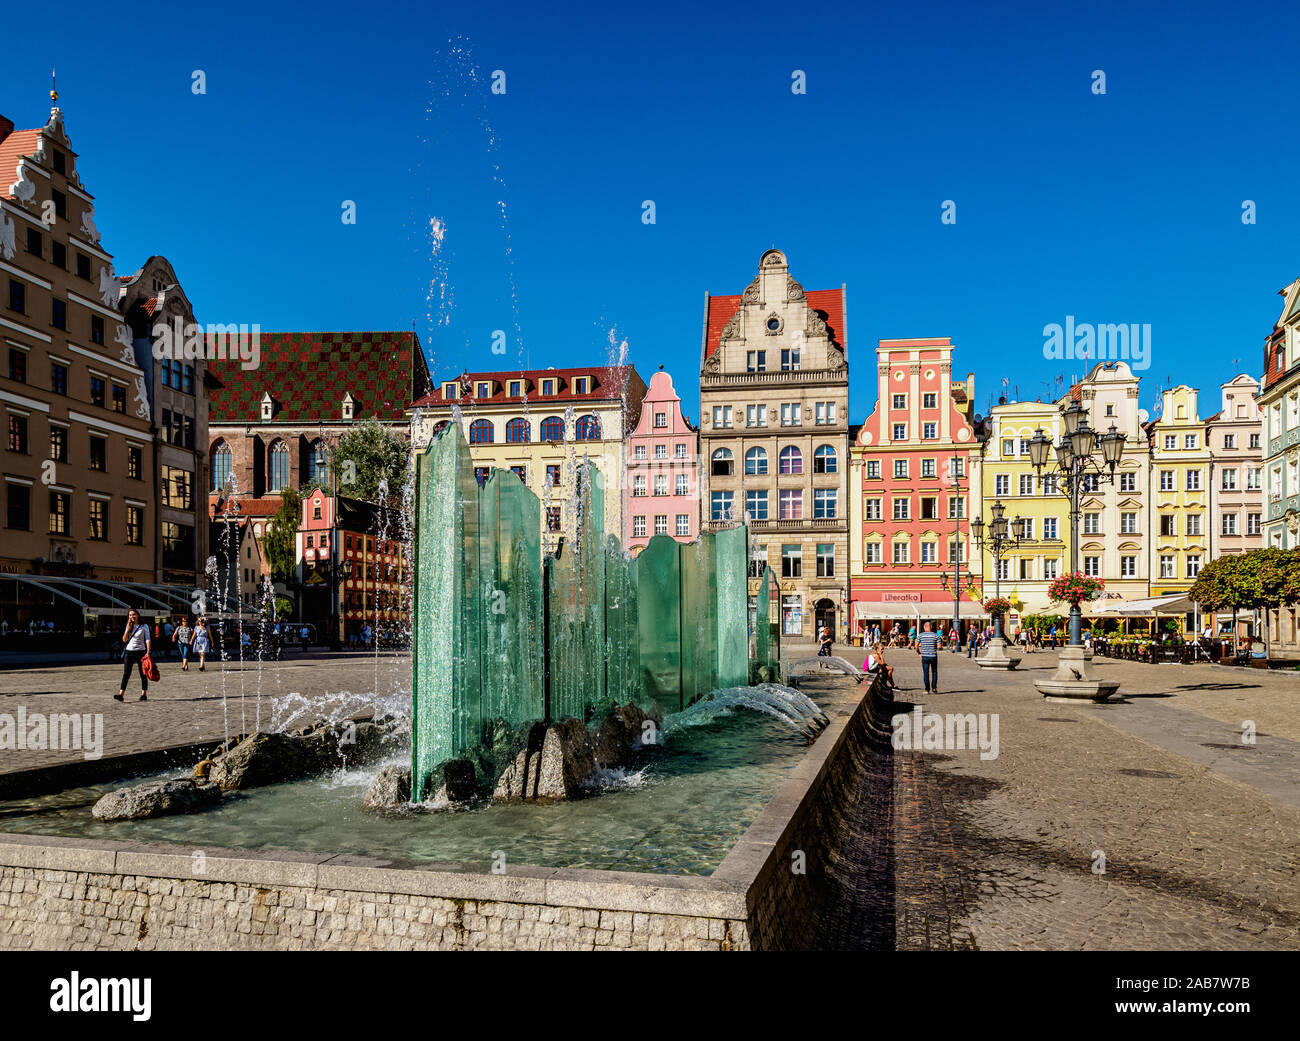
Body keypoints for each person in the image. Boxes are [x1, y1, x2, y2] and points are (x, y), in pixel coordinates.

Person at [117, 608, 151, 702]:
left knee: (143, 674)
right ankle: (121, 694)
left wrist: (148, 652)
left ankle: (143, 694)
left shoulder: (144, 626)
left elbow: (147, 639)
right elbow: (124, 640)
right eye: (130, 615)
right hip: (129, 652)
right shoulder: (128, 625)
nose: (132, 616)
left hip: (141, 652)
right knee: (126, 673)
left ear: (138, 615)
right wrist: (128, 629)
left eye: (134, 614)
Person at [916, 621, 940, 693]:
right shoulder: (936, 635)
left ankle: (927, 689)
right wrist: (934, 647)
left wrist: (919, 653)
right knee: (934, 671)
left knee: (926, 673)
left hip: (925, 656)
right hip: (933, 656)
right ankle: (934, 688)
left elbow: (916, 646)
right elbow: (939, 646)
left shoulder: (920, 635)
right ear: (931, 627)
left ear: (924, 627)